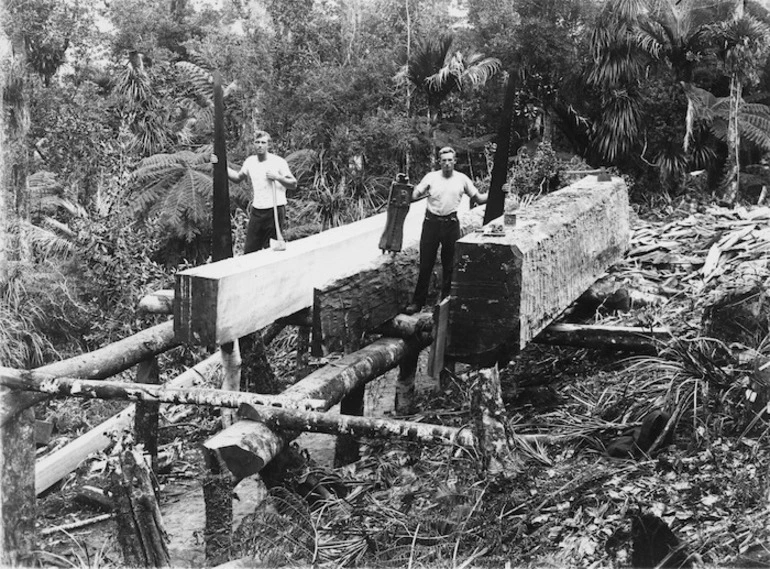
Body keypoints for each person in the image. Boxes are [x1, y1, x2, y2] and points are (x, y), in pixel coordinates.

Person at [405, 146, 488, 314]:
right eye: (444, 161)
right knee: (426, 265)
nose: (447, 164)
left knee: (449, 265)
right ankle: (417, 303)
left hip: (451, 224)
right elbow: (414, 194)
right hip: (431, 224)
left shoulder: (462, 179)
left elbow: (479, 198)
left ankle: (445, 302)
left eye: (450, 160)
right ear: (439, 162)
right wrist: (405, 188)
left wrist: (498, 192)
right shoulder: (431, 177)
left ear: (454, 161)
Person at [216, 130, 297, 253]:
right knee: (250, 250)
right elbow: (237, 178)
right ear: (253, 144)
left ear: (268, 145)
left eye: (263, 142)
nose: (260, 145)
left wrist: (277, 177)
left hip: (275, 210)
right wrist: (220, 164)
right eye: (257, 142)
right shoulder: (250, 162)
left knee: (273, 250)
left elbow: (293, 183)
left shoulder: (278, 162)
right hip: (257, 211)